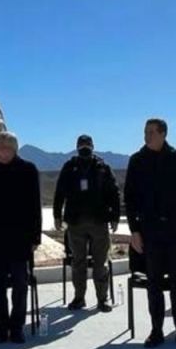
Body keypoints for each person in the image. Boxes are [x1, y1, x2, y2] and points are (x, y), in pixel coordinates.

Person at [124, 118, 176, 349]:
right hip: (150, 231)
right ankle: (156, 330)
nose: (146, 136)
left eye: (151, 132)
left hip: (175, 230)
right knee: (154, 282)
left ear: (163, 134)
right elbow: (130, 198)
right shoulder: (137, 161)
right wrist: (134, 231)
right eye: (145, 132)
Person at [0, 131, 42, 344]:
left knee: (21, 286)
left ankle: (17, 327)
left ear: (13, 149)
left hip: (20, 239)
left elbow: (35, 206)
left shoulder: (28, 170)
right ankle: (1, 328)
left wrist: (35, 237)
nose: (0, 152)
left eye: (4, 149)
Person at [54, 134, 120, 313]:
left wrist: (115, 216)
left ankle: (102, 299)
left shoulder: (102, 167)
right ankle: (79, 297)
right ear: (77, 147)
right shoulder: (70, 167)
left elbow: (113, 192)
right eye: (81, 145)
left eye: (87, 145)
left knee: (101, 262)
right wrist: (57, 215)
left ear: (92, 146)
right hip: (76, 221)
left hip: (99, 221)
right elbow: (59, 191)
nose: (84, 148)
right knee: (78, 262)